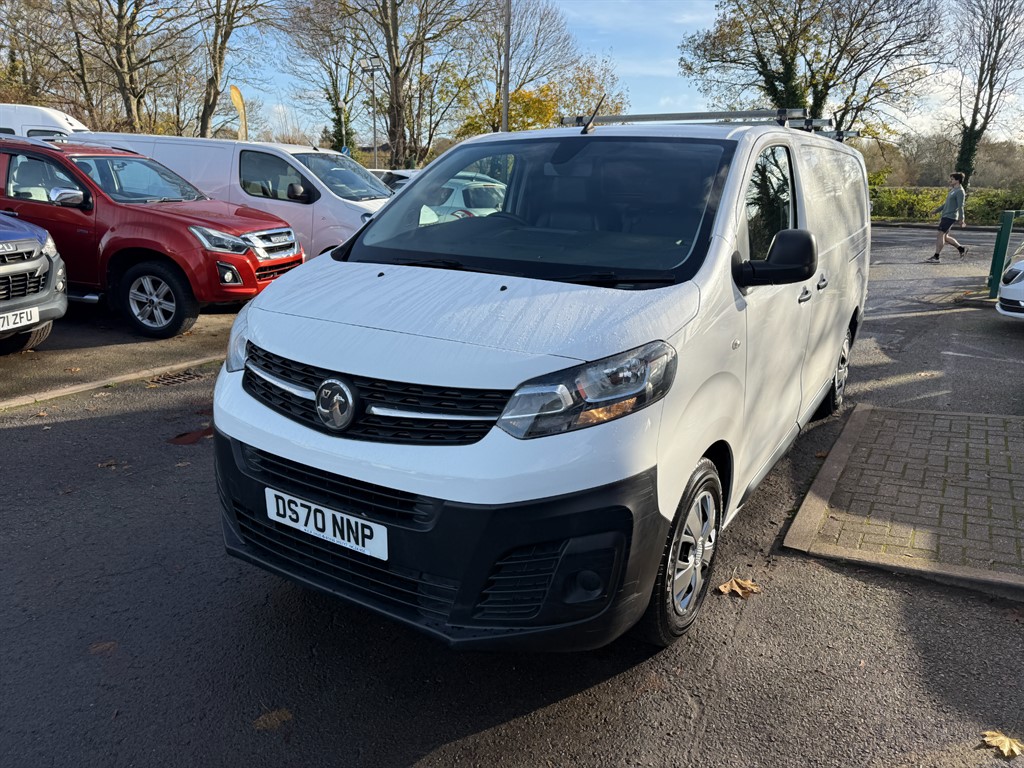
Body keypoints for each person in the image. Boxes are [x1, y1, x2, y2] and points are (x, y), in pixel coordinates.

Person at [926, 172, 968, 263]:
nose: (951, 181)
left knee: (940, 234)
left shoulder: (960, 191)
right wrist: (936, 210)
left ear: (958, 180)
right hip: (946, 215)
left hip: (950, 216)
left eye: (952, 179)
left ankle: (936, 257)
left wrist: (962, 219)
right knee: (945, 236)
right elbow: (946, 204)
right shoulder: (953, 190)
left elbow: (961, 206)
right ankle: (961, 249)